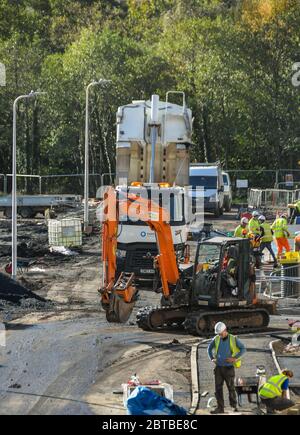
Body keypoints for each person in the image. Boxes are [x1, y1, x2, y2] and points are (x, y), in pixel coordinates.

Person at [208, 322, 246, 414]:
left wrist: (234, 358)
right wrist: (212, 358)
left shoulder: (233, 339)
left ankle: (233, 406)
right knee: (218, 389)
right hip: (219, 368)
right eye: (218, 334)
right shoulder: (216, 338)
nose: (220, 335)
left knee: (231, 388)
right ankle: (220, 408)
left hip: (229, 368)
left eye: (221, 333)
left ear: (225, 330)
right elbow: (209, 348)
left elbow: (243, 348)